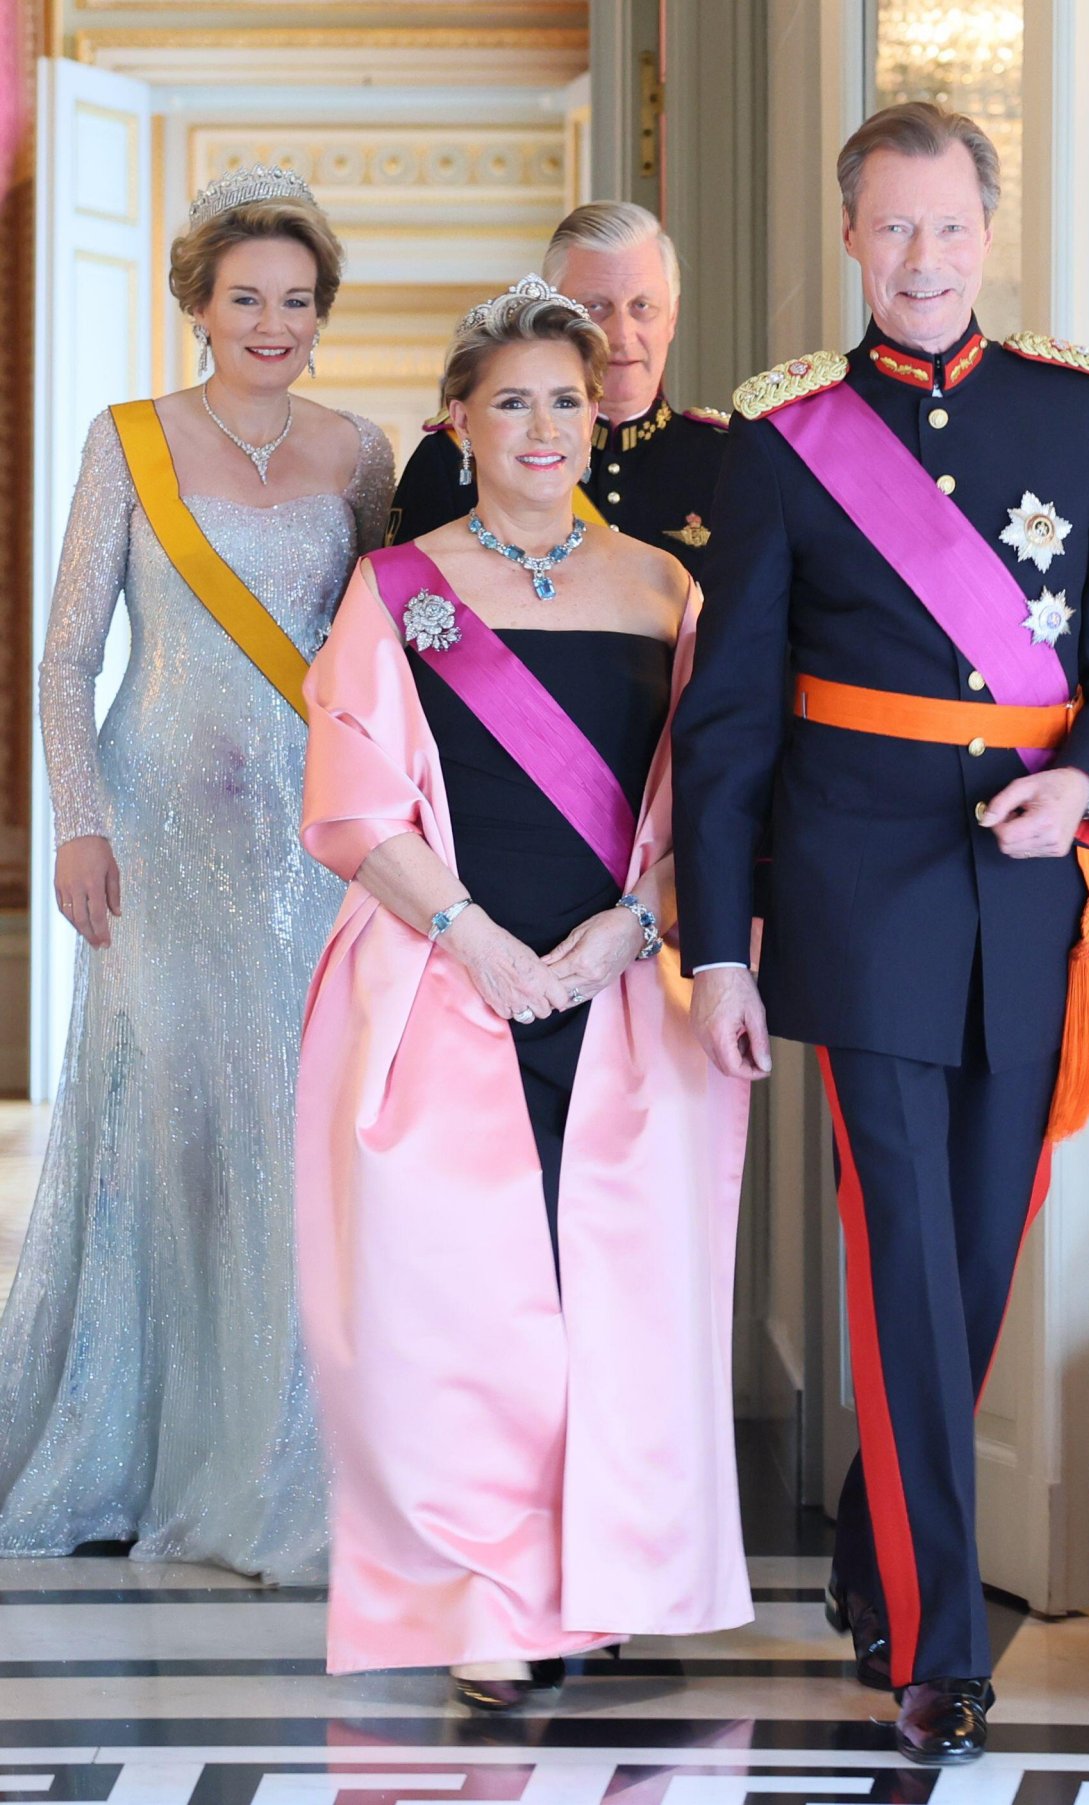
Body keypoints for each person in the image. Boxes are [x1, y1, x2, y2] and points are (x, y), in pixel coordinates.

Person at [671, 104, 1089, 1764]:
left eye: (949, 228)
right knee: (905, 1260)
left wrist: (1082, 786)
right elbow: (732, 717)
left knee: (972, 1254)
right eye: (892, 230)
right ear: (850, 240)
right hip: (856, 893)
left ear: (988, 230)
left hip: (1028, 891)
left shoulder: (1081, 417)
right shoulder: (786, 445)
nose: (923, 260)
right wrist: (722, 945)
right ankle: (943, 1646)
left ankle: (877, 1527)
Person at [295, 275, 752, 1709]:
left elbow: (708, 792)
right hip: (444, 977)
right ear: (460, 422)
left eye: (566, 397)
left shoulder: (663, 587)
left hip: (619, 985)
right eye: (513, 401)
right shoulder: (399, 587)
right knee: (457, 1308)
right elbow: (354, 798)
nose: (545, 424)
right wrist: (478, 941)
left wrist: (632, 927)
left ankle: (601, 1580)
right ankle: (479, 1599)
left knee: (616, 1295)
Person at [0, 165, 395, 1582]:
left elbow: (384, 662)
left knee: (289, 1132)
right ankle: (131, 1444)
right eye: (249, 299)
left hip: (307, 845)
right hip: (158, 838)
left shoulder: (363, 455)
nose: (273, 323)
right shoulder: (130, 441)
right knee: (166, 1132)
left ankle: (275, 1449)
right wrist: (79, 820)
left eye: (297, 301)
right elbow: (63, 658)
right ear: (199, 306)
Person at [385, 202, 729, 581]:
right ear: (552, 313)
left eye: (642, 306)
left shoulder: (727, 462)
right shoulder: (453, 456)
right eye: (595, 307)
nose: (621, 336)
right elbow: (402, 608)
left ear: (672, 317)